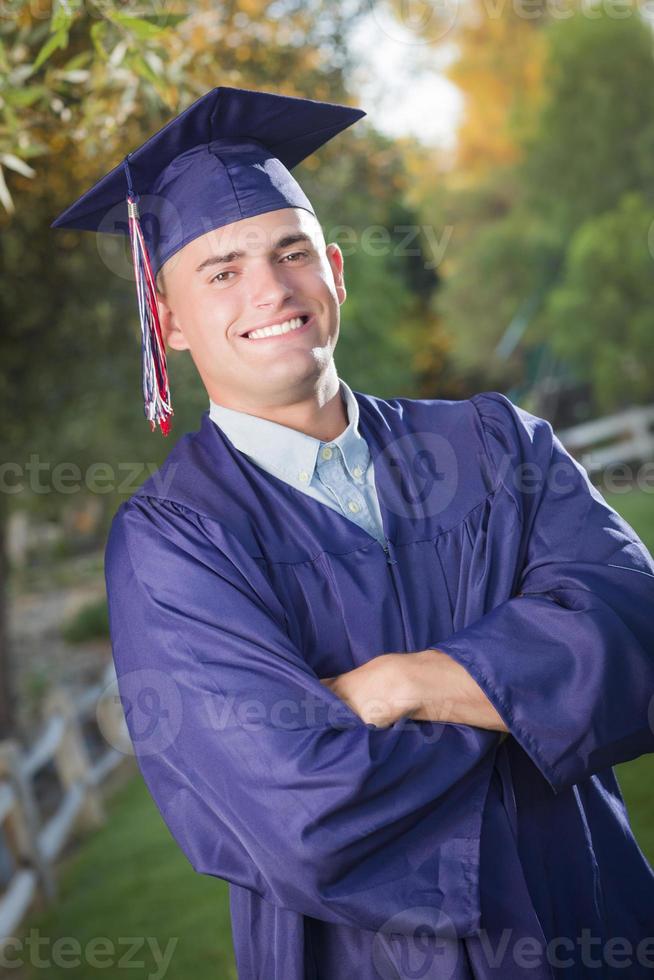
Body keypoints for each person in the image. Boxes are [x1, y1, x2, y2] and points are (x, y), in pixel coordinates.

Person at [51, 85, 654, 979]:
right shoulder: (174, 543)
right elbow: (304, 811)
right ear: (168, 321)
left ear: (334, 269)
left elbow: (634, 633)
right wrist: (537, 698)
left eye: (290, 251)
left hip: (599, 930)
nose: (270, 289)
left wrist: (396, 686)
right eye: (221, 271)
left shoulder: (495, 443)